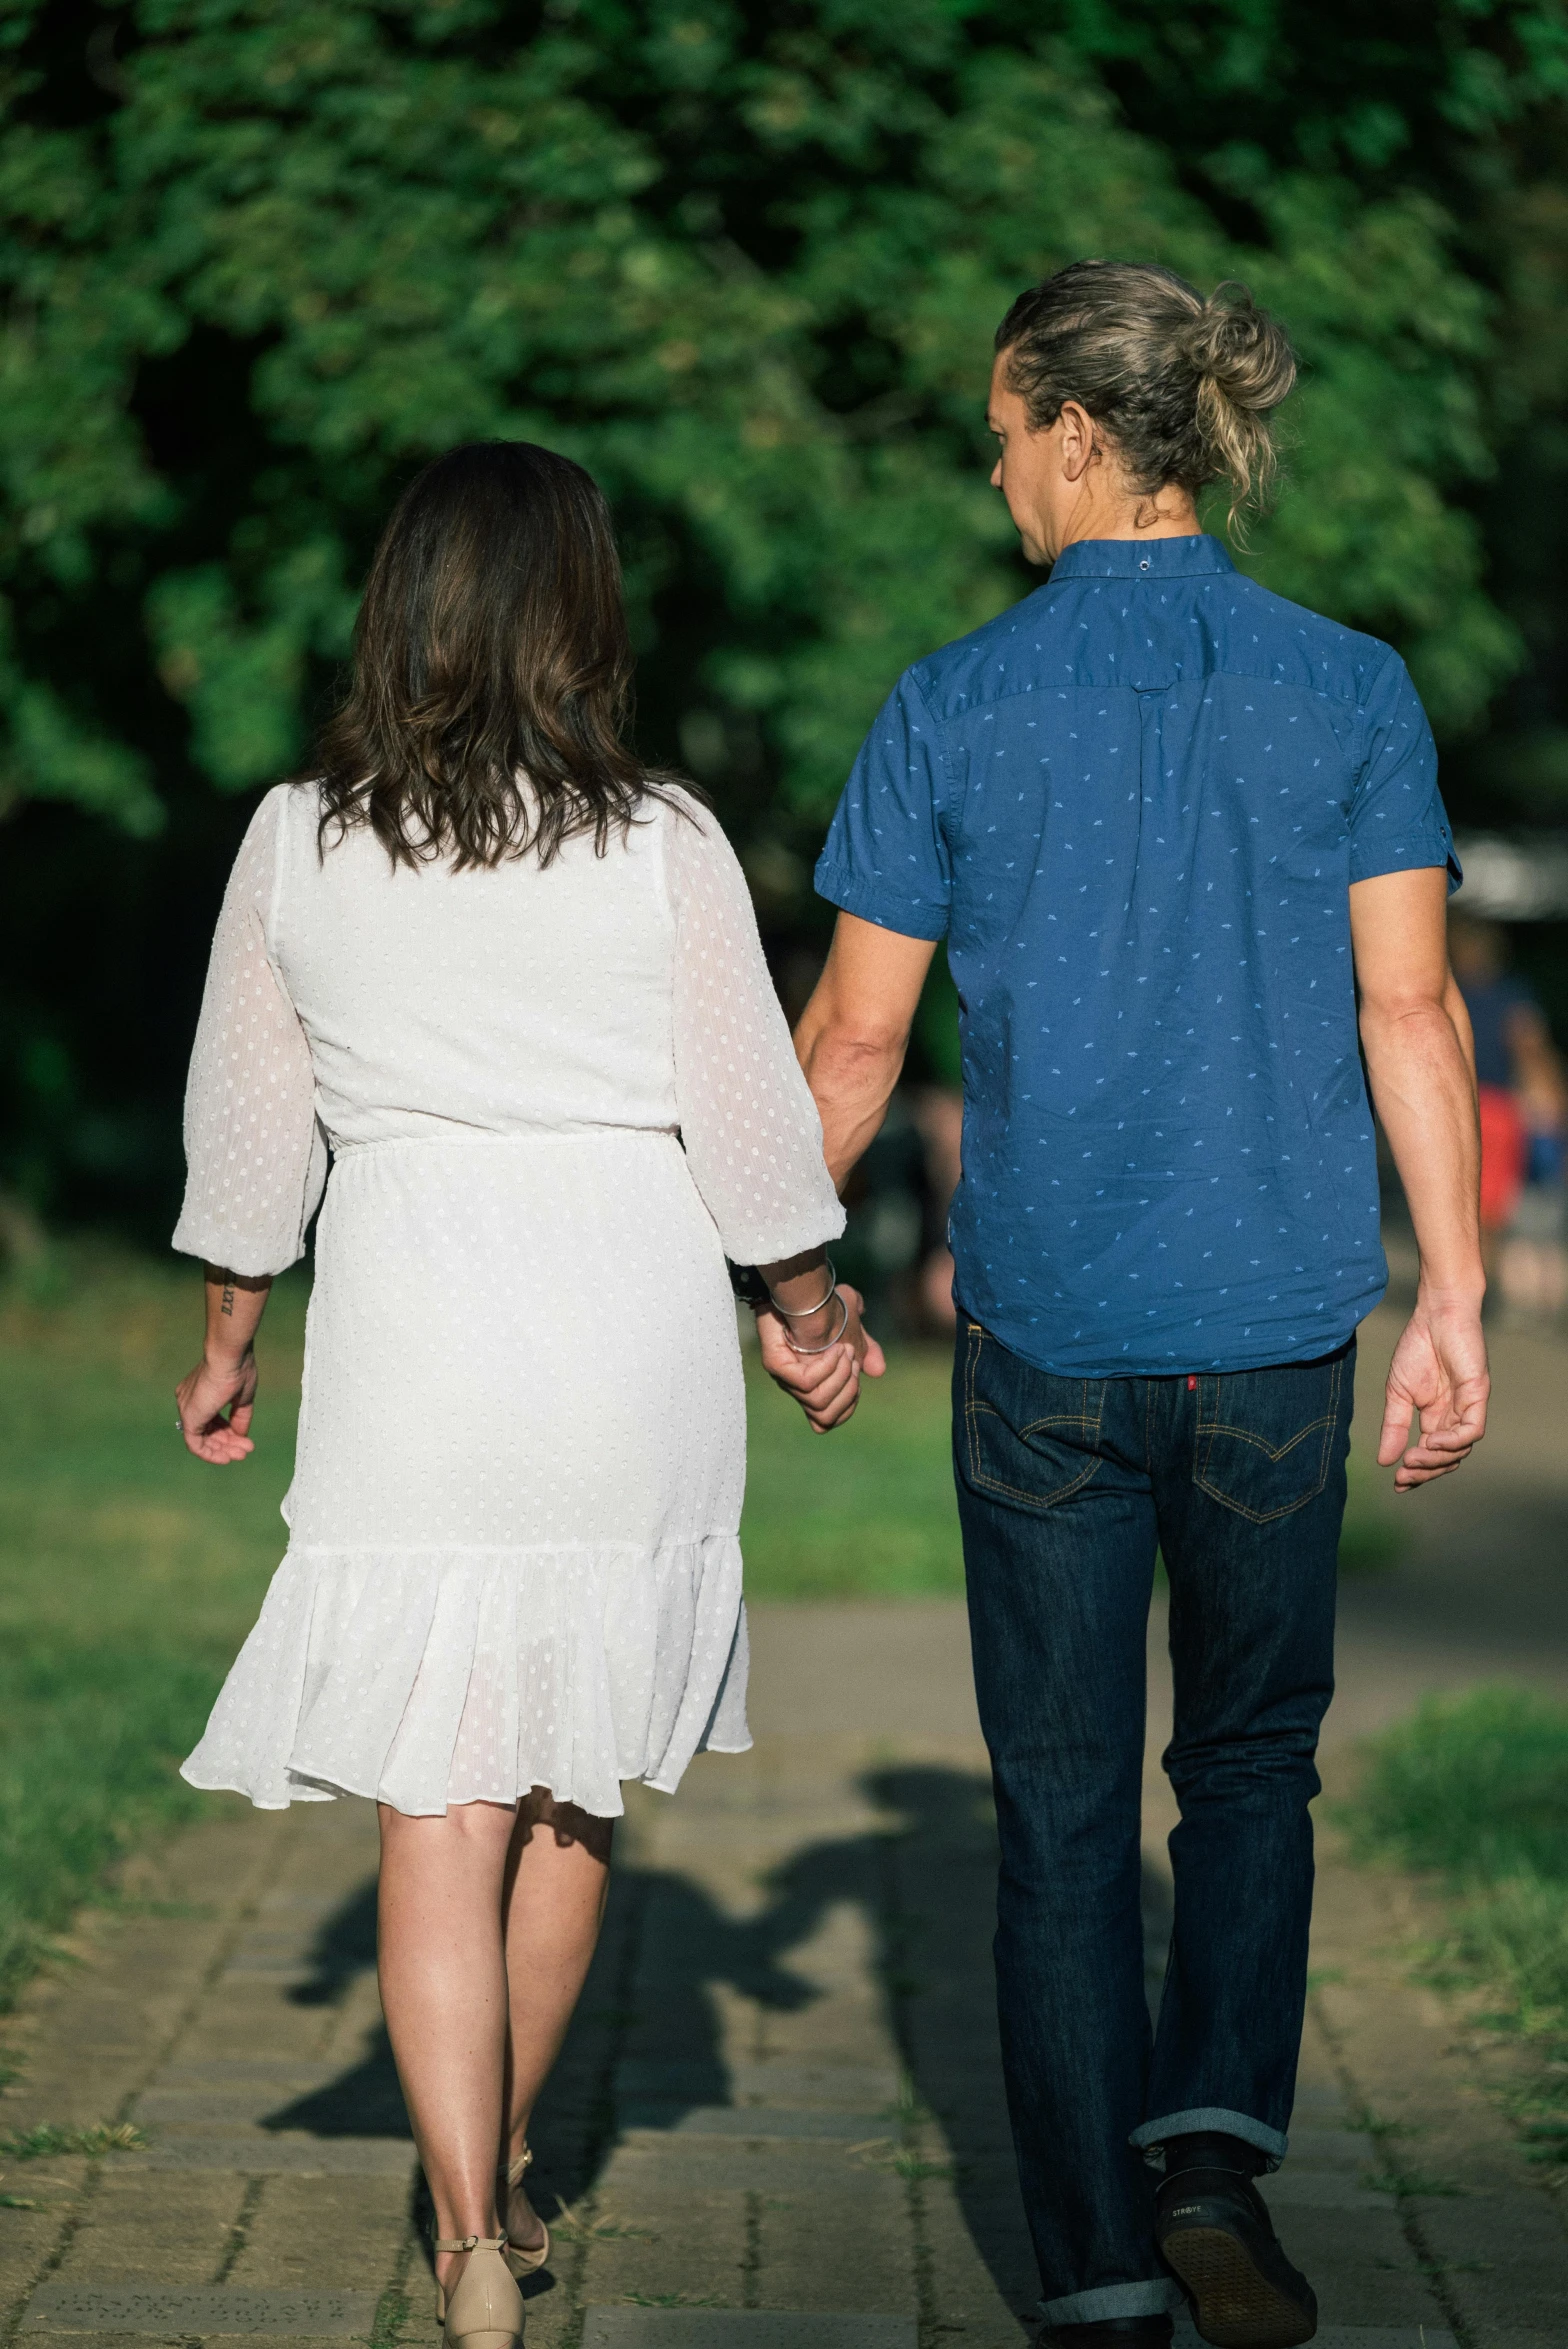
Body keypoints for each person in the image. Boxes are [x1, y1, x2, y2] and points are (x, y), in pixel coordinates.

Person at [766, 262, 1489, 2349]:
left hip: (1048, 1340)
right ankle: (1213, 2173)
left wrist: (777, 1274)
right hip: (1274, 1328)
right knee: (1251, 1769)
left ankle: (1091, 2270)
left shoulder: (948, 704)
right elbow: (1410, 1005)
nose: (990, 467)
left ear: (1082, 435)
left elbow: (846, 1048)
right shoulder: (1349, 689)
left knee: (1063, 1804)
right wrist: (1452, 1289)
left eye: (1001, 429)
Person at [170, 442, 876, 2349]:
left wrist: (231, 1347)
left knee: (435, 1799)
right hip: (620, 1329)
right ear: (583, 605)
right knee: (569, 1792)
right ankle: (511, 2173)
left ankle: (467, 2224)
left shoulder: (294, 836)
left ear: (400, 600)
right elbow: (746, 1123)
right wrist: (807, 1309)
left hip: (413, 1331)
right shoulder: (661, 836)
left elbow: (250, 1145)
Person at [1447, 909, 1568, 1309]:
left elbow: (1528, 1046)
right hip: (1486, 1106)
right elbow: (1530, 1044)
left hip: (1484, 1106)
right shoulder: (1510, 995)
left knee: (1473, 1202)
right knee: (1484, 1205)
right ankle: (1475, 1284)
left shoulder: (1455, 992)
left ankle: (1472, 1283)